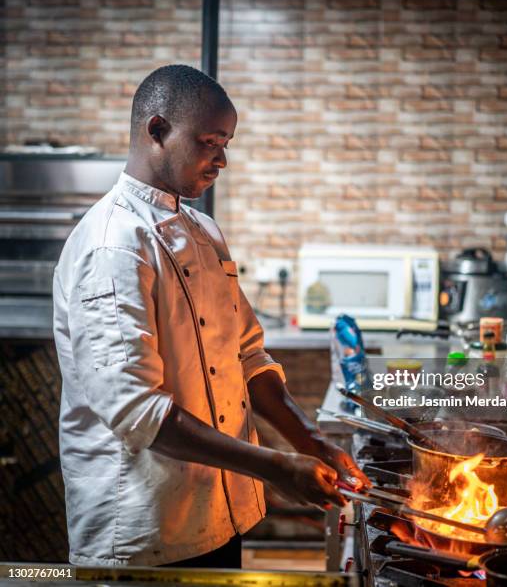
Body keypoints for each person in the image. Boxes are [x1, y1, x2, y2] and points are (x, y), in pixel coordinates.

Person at [53, 65, 369, 568]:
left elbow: (248, 357)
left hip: (223, 512)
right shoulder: (114, 243)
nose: (222, 159)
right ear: (156, 131)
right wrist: (275, 467)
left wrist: (312, 443)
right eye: (209, 141)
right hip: (147, 527)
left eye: (227, 143)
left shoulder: (204, 231)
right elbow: (136, 411)